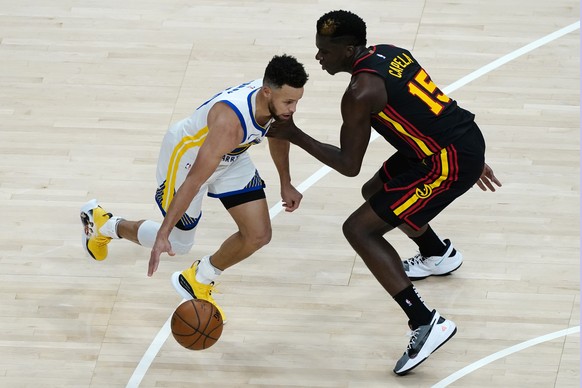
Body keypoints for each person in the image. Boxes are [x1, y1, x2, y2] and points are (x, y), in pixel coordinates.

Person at [267, 10, 501, 375]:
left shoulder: (360, 92)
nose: (318, 58)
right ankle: (437, 253)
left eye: (325, 51)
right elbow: (427, 111)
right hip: (454, 142)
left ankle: (424, 321)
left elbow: (348, 163)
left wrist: (295, 134)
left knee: (358, 229)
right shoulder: (391, 52)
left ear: (347, 49)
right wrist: (471, 154)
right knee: (375, 191)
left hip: (444, 159)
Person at [80, 54, 309, 323]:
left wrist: (286, 182)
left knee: (258, 235)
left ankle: (199, 278)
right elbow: (194, 181)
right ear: (267, 92)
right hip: (188, 160)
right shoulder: (230, 123)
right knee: (178, 242)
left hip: (232, 157)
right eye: (289, 102)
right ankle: (102, 224)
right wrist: (163, 233)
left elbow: (278, 132)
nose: (293, 109)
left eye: (296, 101)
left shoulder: (274, 101)